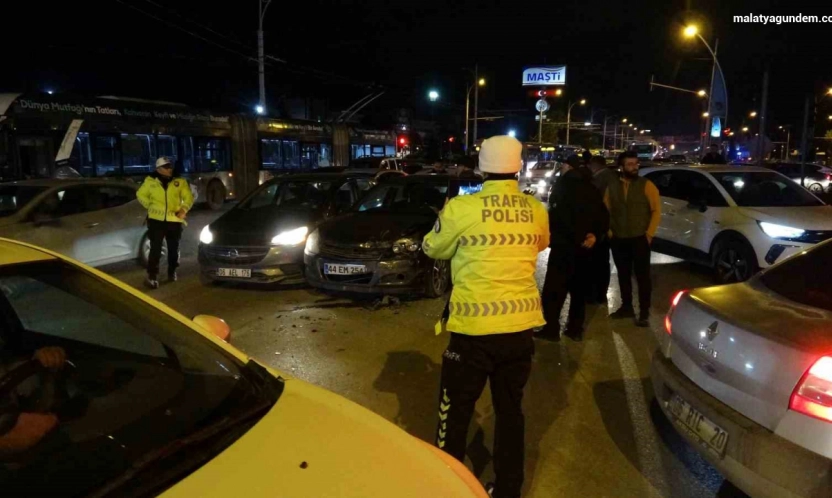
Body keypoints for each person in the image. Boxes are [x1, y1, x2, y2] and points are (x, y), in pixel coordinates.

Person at [422, 135, 549, 498]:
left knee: (455, 413)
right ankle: (508, 490)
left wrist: (445, 217)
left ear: (480, 168)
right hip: (519, 331)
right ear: (518, 168)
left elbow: (432, 248)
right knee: (510, 413)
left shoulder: (462, 208)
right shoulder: (535, 209)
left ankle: (449, 487)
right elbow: (541, 243)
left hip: (472, 333)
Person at [538, 155, 608, 342]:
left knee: (554, 290)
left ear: (569, 167)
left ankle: (551, 329)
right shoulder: (591, 187)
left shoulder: (563, 186)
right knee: (579, 291)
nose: (561, 168)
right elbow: (602, 215)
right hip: (585, 248)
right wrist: (594, 234)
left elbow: (558, 216)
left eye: (563, 165)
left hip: (564, 247)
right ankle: (575, 329)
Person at [604, 151, 661, 327]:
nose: (634, 167)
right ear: (621, 167)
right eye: (630, 164)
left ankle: (644, 312)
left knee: (643, 277)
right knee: (623, 274)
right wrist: (609, 231)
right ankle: (626, 307)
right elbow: (606, 210)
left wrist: (649, 234)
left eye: (636, 163)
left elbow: (656, 211)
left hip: (639, 238)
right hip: (619, 238)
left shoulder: (646, 185)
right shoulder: (612, 186)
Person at [136, 157, 194, 289]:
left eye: (170, 166)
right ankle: (152, 276)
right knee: (155, 249)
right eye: (166, 167)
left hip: (174, 220)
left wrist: (184, 209)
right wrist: (149, 205)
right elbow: (140, 195)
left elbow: (188, 197)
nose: (169, 169)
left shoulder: (179, 181)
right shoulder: (150, 181)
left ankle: (172, 271)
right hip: (156, 221)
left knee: (173, 249)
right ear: (159, 169)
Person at [586, 155, 618, 304]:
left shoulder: (599, 179)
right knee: (603, 262)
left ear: (594, 165)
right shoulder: (613, 176)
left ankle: (596, 294)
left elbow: (599, 203)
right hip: (609, 224)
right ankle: (600, 293)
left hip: (602, 225)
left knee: (598, 261)